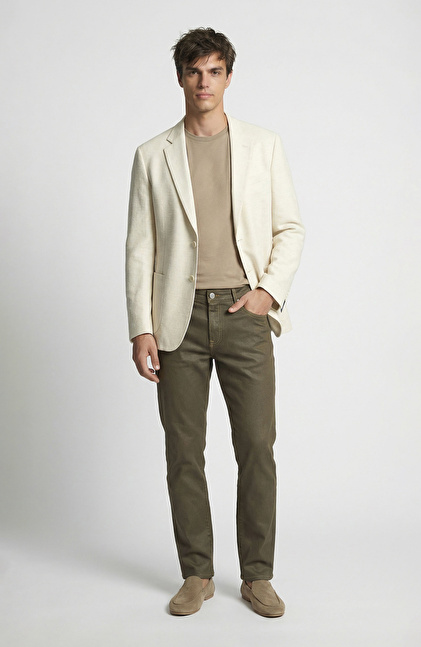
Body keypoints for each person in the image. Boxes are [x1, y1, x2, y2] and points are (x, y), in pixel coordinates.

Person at [125, 27, 305, 617]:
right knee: (184, 450)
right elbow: (141, 247)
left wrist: (266, 294)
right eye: (194, 71)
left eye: (214, 71)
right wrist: (141, 326)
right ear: (180, 78)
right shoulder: (152, 155)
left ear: (229, 77)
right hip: (176, 320)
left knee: (256, 446)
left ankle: (258, 575)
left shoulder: (263, 145)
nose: (204, 82)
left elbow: (289, 228)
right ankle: (196, 573)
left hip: (242, 314)